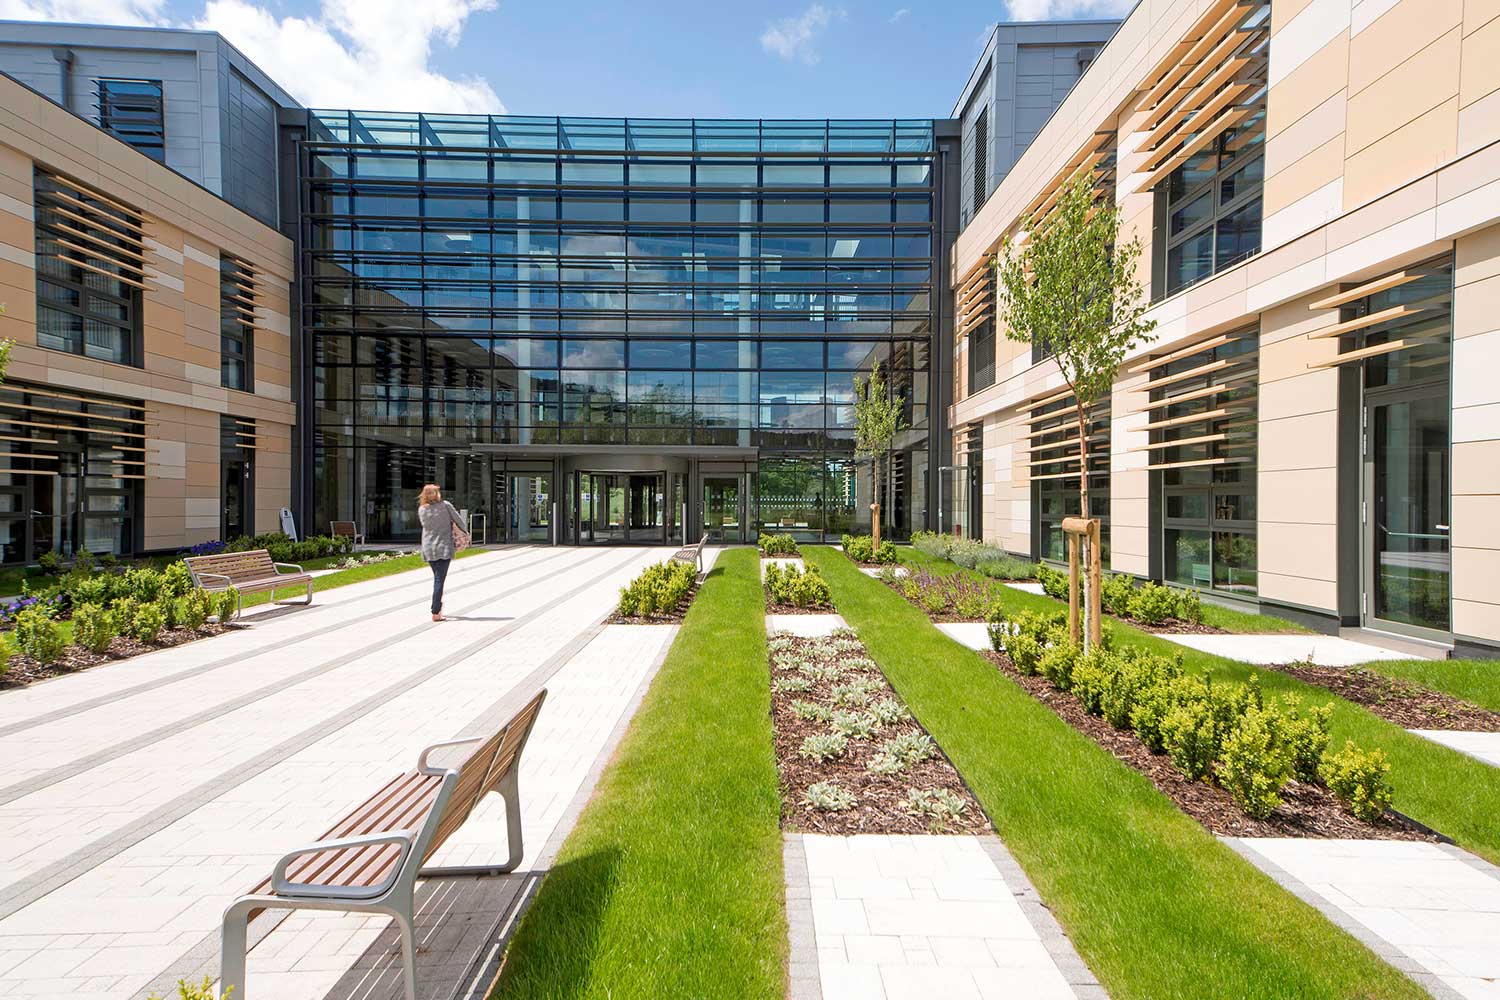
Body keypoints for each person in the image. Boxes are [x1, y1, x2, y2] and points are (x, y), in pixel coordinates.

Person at [417, 484, 467, 621]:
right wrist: (465, 533)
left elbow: (425, 526)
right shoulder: (446, 505)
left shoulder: (422, 509)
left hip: (429, 549)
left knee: (437, 578)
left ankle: (437, 608)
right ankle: (435, 610)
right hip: (444, 547)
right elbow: (459, 520)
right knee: (439, 579)